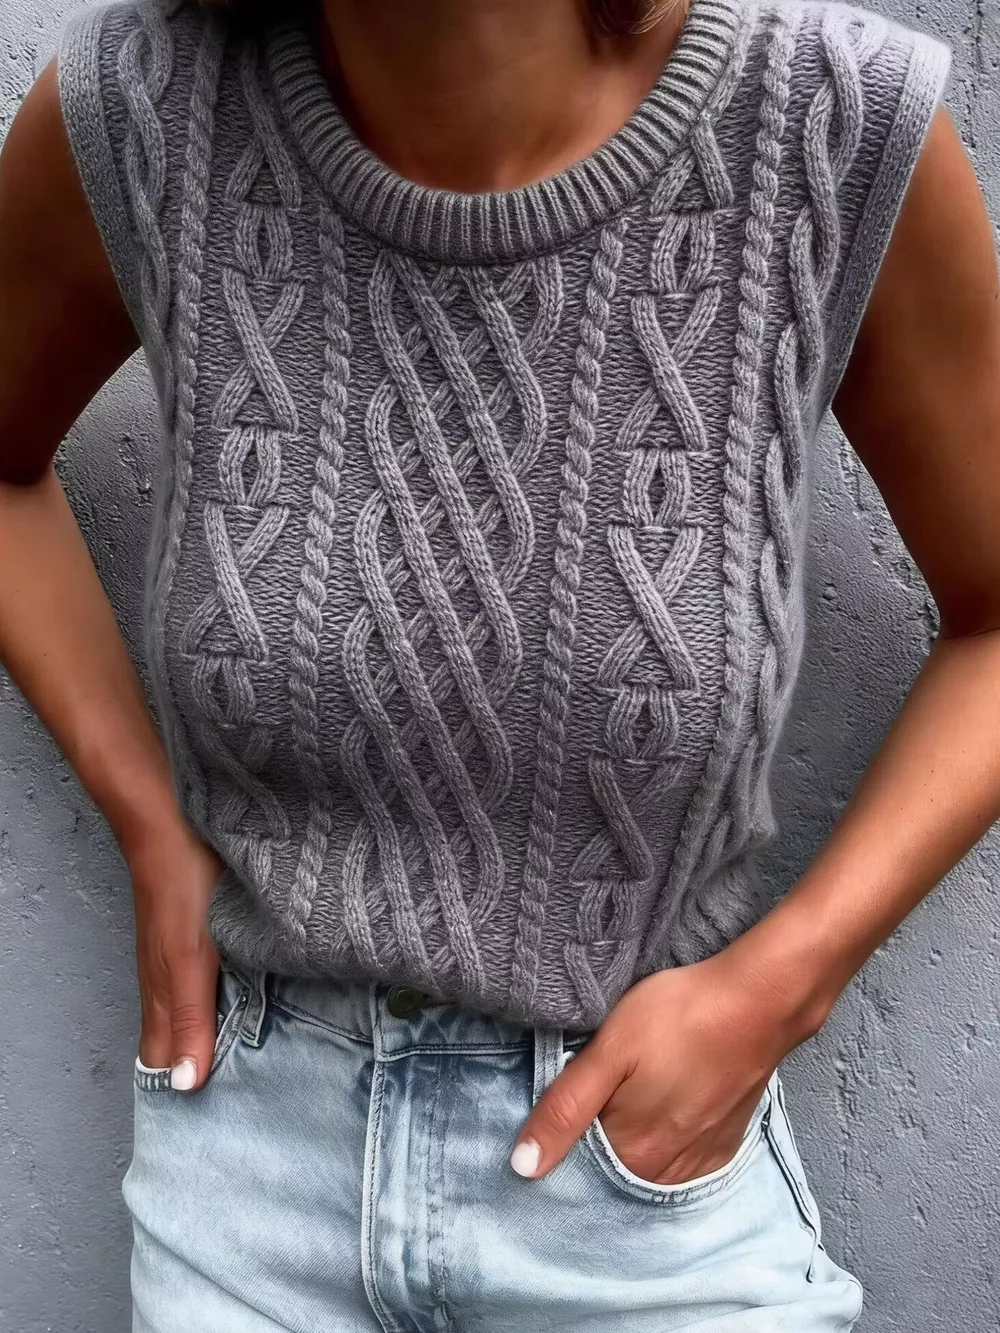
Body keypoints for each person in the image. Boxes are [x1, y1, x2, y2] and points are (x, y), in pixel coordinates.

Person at [0, 0, 997, 1325]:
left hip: (636, 1202)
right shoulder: (144, 106)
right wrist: (149, 824)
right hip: (247, 1186)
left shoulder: (829, 118)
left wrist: (781, 988)